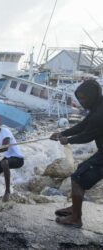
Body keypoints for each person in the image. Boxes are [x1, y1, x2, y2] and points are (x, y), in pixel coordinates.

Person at [50, 80, 103, 228]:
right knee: (81, 170)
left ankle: (76, 218)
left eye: (83, 98)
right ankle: (74, 209)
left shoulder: (99, 114)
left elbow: (87, 136)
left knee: (77, 178)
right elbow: (83, 125)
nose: (81, 102)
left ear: (92, 96)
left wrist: (68, 140)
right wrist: (62, 133)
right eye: (79, 99)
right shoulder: (98, 105)